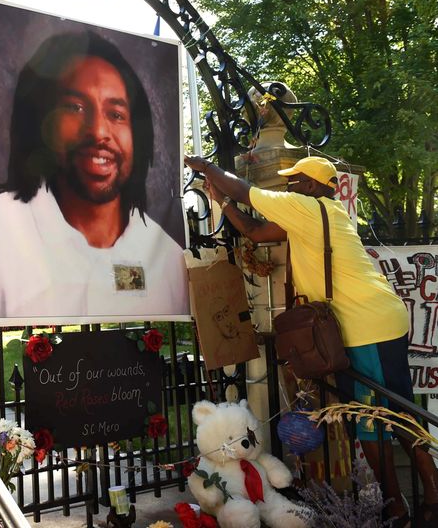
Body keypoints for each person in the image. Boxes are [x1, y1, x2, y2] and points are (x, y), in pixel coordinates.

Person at [184, 154, 438, 527]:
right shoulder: (319, 216)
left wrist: (206, 167)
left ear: (314, 185)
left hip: (370, 327)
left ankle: (413, 502)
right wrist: (221, 201)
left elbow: (245, 191)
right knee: (384, 416)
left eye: (296, 179)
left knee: (381, 420)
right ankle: (408, 500)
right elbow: (256, 232)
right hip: (372, 323)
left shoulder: (308, 207)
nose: (290, 185)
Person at [0, 31, 188, 320]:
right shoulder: (1, 227)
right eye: (75, 107)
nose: (99, 132)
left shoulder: (168, 258)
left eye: (116, 114)